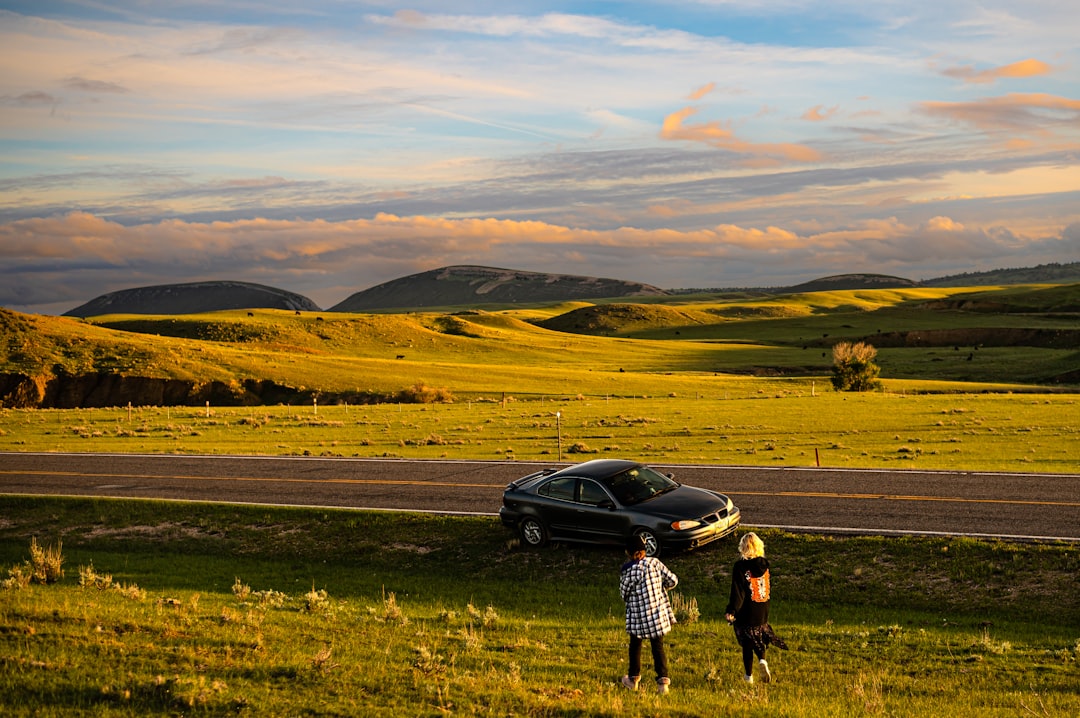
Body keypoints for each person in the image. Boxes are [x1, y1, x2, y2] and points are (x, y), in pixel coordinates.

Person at [724, 532, 787, 684]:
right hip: (762, 610)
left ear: (743, 547)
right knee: (759, 637)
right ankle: (763, 661)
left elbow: (738, 592)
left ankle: (748, 676)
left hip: (746, 610)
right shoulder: (764, 565)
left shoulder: (740, 566)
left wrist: (731, 610)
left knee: (747, 643)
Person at [619, 534, 678, 695]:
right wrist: (660, 587)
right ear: (645, 550)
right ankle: (663, 683)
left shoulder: (628, 572)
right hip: (657, 615)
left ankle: (633, 679)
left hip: (638, 617)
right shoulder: (655, 563)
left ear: (628, 553)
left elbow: (623, 593)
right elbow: (673, 580)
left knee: (635, 646)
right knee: (658, 647)